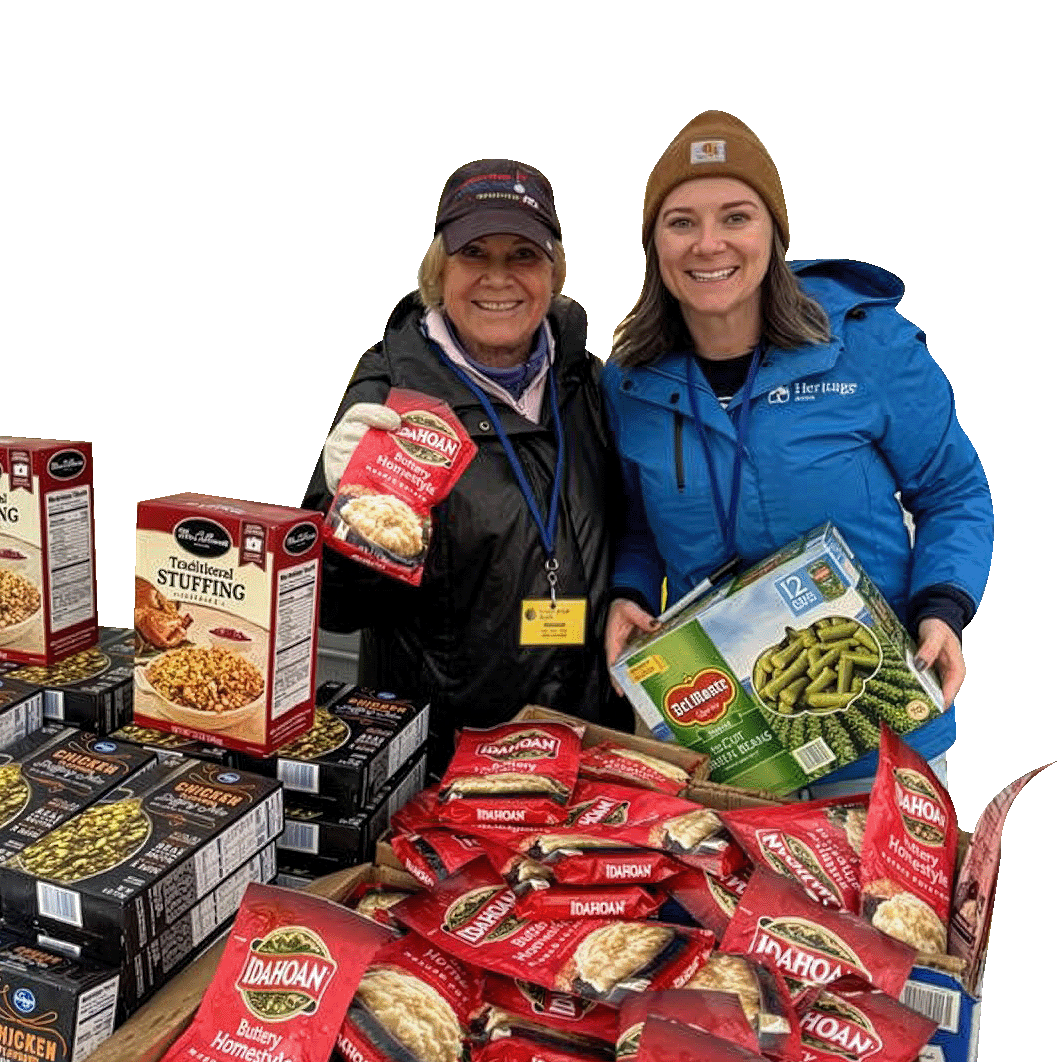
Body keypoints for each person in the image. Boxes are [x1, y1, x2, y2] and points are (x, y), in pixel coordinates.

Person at [602, 111, 992, 795]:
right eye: (681, 222)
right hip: (726, 744)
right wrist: (629, 592)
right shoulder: (631, 381)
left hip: (877, 727)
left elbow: (952, 492)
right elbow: (639, 525)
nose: (709, 244)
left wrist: (944, 606)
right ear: (654, 244)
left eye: (736, 217)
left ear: (774, 233)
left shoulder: (866, 345)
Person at [303, 159, 616, 774]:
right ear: (438, 269)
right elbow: (333, 606)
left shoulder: (586, 381)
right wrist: (342, 516)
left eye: (523, 255)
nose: (498, 278)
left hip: (585, 748)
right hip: (447, 763)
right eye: (474, 253)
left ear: (553, 272)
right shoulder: (393, 390)